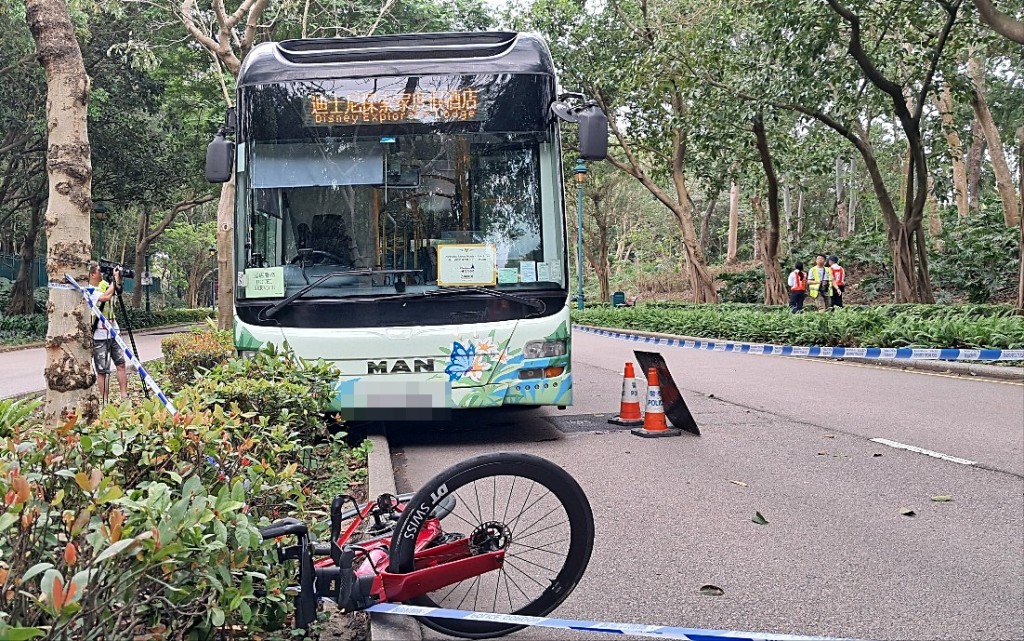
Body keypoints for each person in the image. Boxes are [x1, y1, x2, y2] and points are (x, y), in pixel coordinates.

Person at [86, 261, 128, 401]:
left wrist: (119, 279)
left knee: (121, 363)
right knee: (102, 370)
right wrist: (114, 281)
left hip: (113, 329)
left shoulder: (104, 284)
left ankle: (124, 396)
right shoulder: (88, 289)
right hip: (99, 333)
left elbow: (117, 291)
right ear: (92, 274)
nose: (102, 273)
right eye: (99, 271)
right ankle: (105, 400)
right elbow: (105, 297)